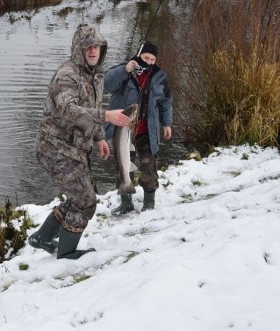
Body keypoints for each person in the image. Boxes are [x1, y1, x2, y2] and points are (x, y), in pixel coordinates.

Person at [27, 25, 134, 259]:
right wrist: (107, 116)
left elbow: (90, 110)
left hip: (75, 149)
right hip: (55, 149)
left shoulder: (95, 75)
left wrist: (100, 138)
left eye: (97, 46)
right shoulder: (67, 75)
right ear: (79, 49)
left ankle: (41, 238)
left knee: (79, 197)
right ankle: (66, 254)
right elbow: (69, 111)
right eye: (88, 47)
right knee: (86, 201)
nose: (93, 51)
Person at [103, 41, 173, 214]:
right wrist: (124, 70)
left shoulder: (160, 77)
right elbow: (106, 84)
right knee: (122, 166)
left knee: (149, 166)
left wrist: (166, 123)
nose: (149, 62)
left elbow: (166, 102)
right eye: (146, 57)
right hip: (122, 132)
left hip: (147, 131)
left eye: (152, 59)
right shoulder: (125, 71)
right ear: (138, 56)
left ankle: (149, 203)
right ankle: (126, 202)